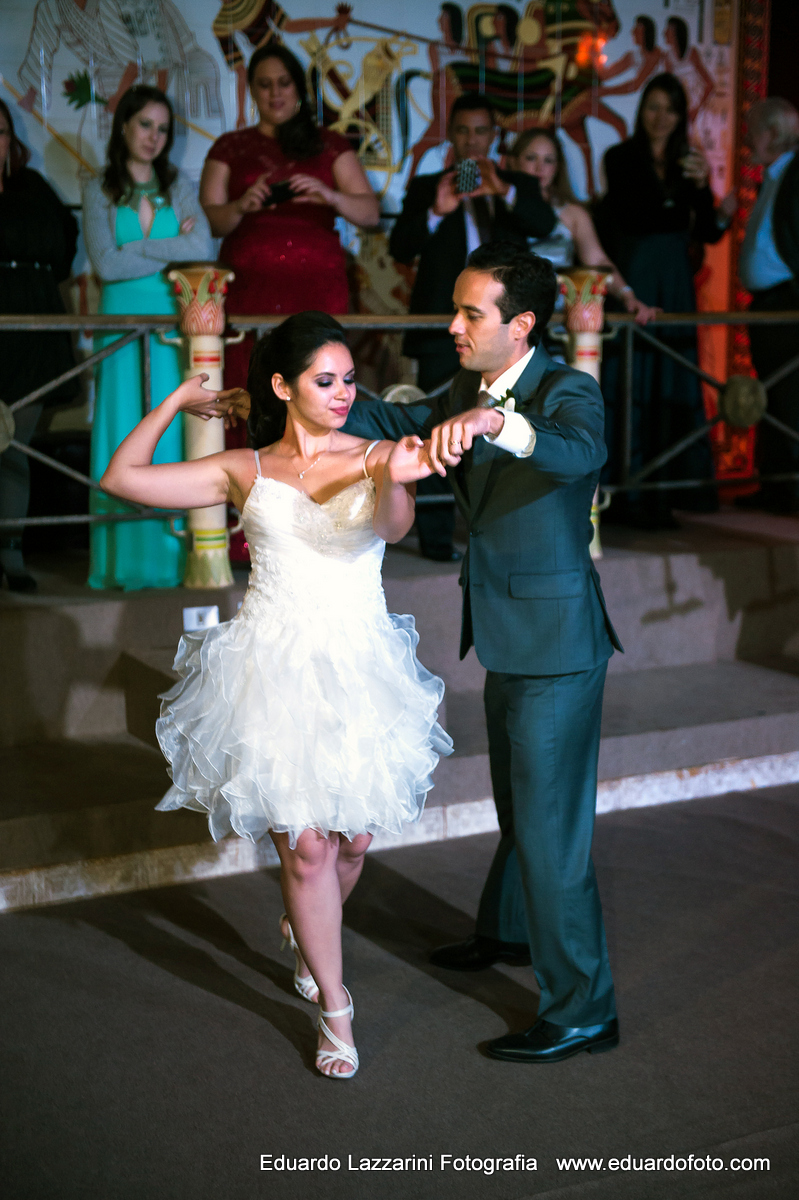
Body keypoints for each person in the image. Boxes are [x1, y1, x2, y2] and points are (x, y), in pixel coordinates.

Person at [99, 311, 452, 1079]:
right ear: (283, 387)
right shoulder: (243, 467)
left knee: (352, 841)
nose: (342, 393)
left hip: (358, 666)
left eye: (348, 380)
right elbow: (121, 478)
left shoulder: (375, 453)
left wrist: (392, 476)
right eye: (325, 381)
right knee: (308, 845)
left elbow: (394, 529)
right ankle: (335, 1006)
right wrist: (176, 400)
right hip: (271, 666)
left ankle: (305, 927)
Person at [346, 242, 623, 1063]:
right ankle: (506, 932)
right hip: (508, 636)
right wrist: (301, 395)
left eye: (471, 313)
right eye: (456, 310)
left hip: (557, 647)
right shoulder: (464, 386)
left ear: (521, 324)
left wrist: (497, 422)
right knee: (521, 810)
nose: (453, 326)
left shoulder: (566, 390)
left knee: (550, 831)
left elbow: (580, 452)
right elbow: (397, 423)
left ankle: (584, 1009)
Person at [390, 92, 556, 561]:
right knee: (435, 424)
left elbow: (544, 223)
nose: (472, 140)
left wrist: (504, 191)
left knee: (510, 421)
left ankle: (506, 530)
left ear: (494, 136)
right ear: (451, 135)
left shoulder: (515, 183)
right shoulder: (428, 186)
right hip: (444, 328)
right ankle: (437, 537)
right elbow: (401, 247)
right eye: (462, 131)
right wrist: (436, 211)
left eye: (481, 131)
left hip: (505, 333)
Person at [82, 84, 213, 589]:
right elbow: (106, 266)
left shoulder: (178, 184)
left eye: (163, 129)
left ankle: (168, 561)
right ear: (123, 127)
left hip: (169, 326)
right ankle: (118, 563)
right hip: (118, 325)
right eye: (144, 125)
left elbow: (201, 247)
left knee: (168, 432)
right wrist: (169, 244)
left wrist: (135, 247)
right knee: (122, 429)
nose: (153, 137)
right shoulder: (97, 187)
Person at [595, 73, 735, 528]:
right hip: (638, 272)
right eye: (653, 107)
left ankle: (665, 494)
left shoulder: (688, 162)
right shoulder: (621, 157)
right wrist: (680, 194)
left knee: (672, 379)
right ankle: (625, 495)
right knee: (631, 378)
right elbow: (634, 215)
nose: (661, 117)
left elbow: (707, 231)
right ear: (642, 111)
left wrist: (707, 190)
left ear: (680, 116)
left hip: (675, 281)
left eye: (670, 109)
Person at [200, 44, 379, 393]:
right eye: (265, 84)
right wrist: (241, 206)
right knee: (249, 386)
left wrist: (329, 195)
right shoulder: (230, 146)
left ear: (298, 88)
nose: (275, 93)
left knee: (318, 382)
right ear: (252, 90)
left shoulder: (330, 143)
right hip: (249, 288)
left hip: (316, 286)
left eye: (284, 83)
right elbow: (210, 222)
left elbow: (370, 213)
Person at [0, 98, 78, 593]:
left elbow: (65, 242)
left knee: (13, 447)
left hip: (31, 333)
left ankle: (11, 555)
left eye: (0, 131)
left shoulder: (33, 187)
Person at [507, 128, 658, 322]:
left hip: (557, 318)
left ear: (558, 166)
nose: (539, 167)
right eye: (531, 158)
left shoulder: (573, 213)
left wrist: (627, 295)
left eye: (548, 160)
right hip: (509, 316)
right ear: (514, 161)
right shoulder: (500, 205)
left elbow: (598, 261)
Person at [737, 98, 799, 513]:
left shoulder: (795, 174)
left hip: (788, 303)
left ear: (773, 134)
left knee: (789, 398)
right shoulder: (774, 175)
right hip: (767, 304)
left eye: (752, 130)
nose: (746, 140)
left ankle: (790, 488)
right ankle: (775, 485)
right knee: (772, 395)